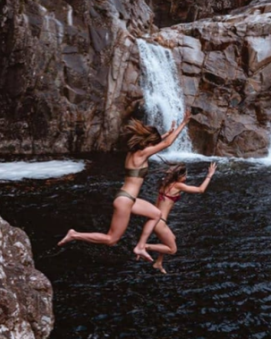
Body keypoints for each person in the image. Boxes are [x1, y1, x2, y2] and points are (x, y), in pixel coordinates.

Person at [57, 111, 191, 262]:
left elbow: (161, 143)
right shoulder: (141, 154)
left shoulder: (134, 152)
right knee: (111, 239)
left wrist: (167, 133)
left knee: (156, 214)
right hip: (125, 200)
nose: (154, 147)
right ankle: (74, 234)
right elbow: (166, 144)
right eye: (153, 143)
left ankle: (140, 246)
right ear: (148, 143)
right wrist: (183, 123)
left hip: (129, 199)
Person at [144, 162, 217, 274]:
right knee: (172, 250)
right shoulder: (178, 185)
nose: (186, 178)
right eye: (185, 176)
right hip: (160, 222)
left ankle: (158, 262)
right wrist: (209, 175)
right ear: (179, 177)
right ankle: (144, 247)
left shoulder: (165, 183)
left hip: (155, 219)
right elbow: (200, 190)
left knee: (171, 238)